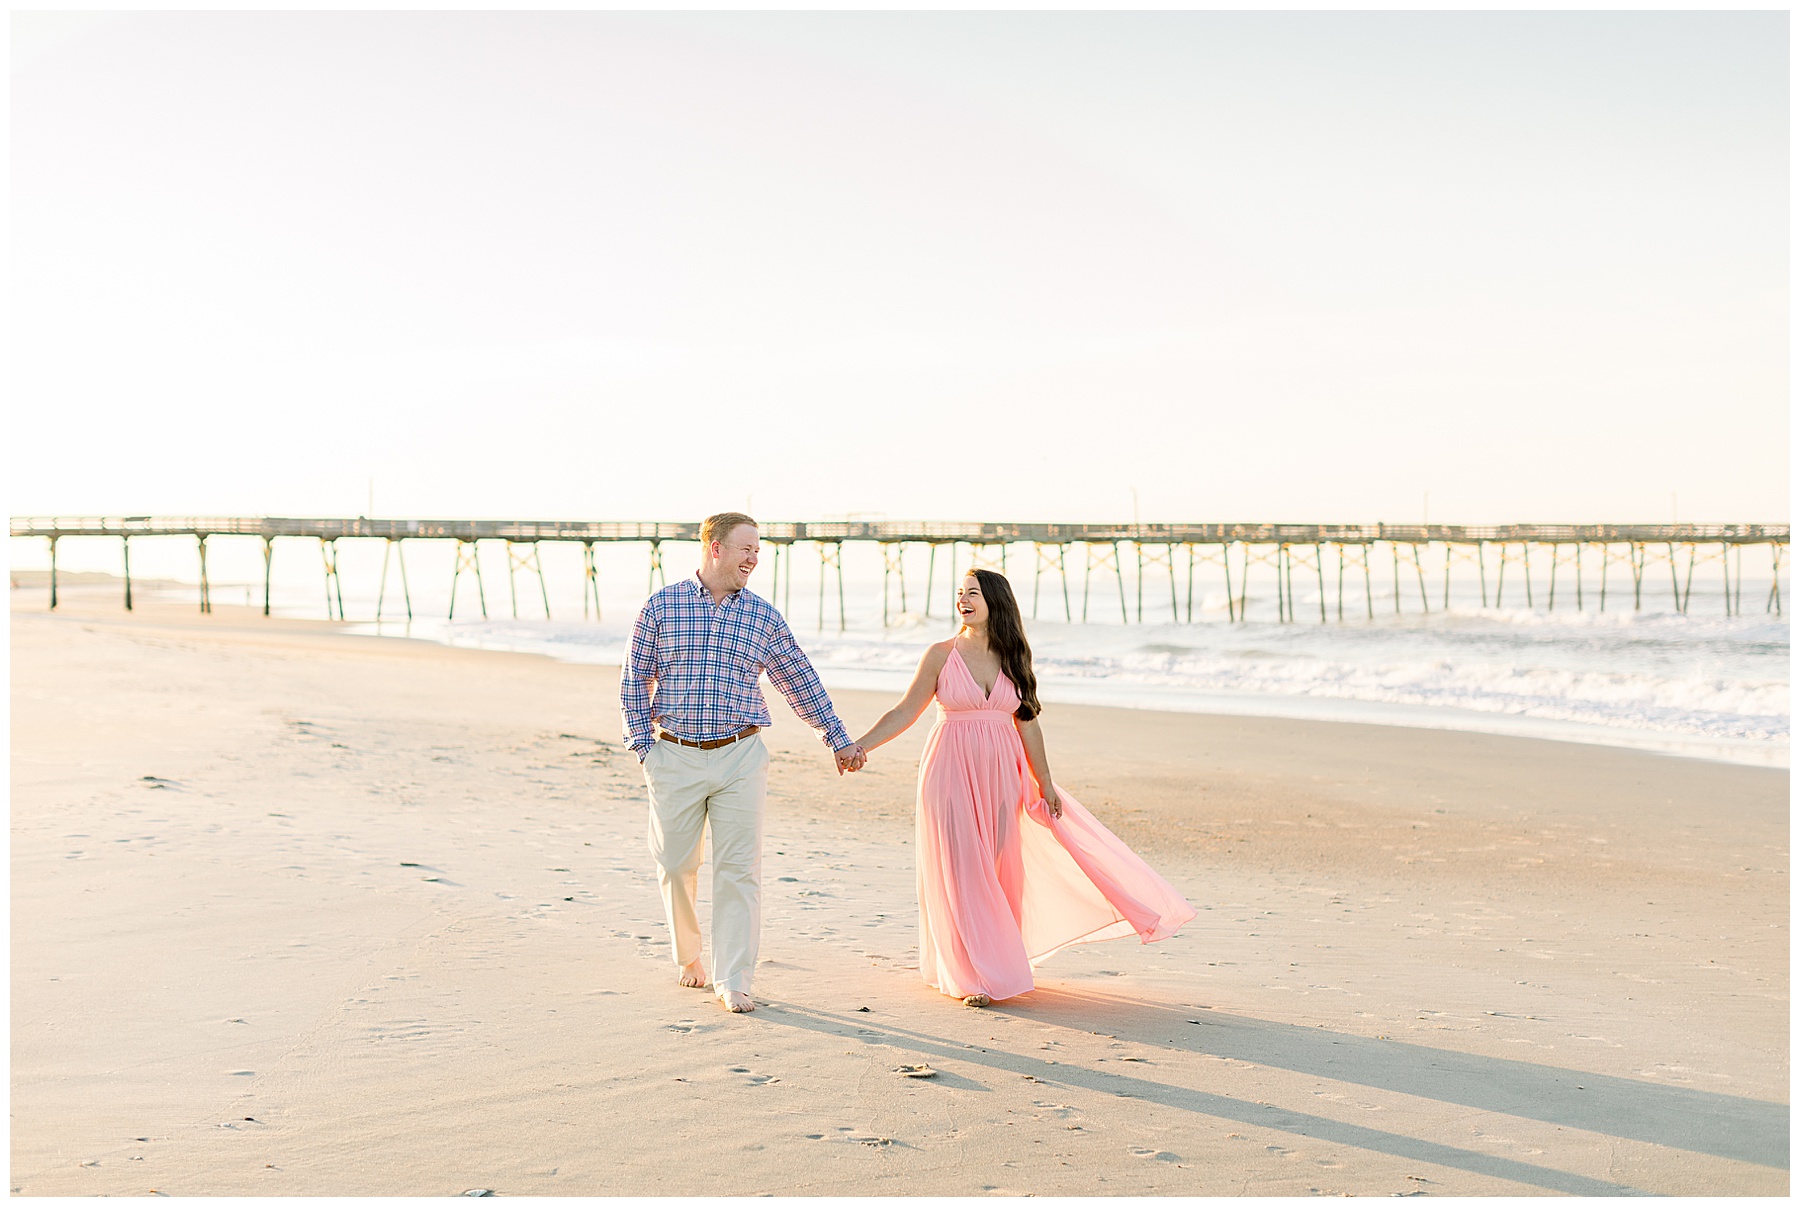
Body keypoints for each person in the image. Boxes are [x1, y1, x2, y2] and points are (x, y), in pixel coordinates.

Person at [851, 569, 1195, 1006]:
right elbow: (905, 711)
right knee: (961, 869)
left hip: (1002, 774)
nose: (963, 600)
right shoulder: (940, 654)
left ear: (996, 601)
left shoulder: (1014, 656)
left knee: (997, 866)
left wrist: (1045, 781)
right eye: (959, 594)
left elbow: (1028, 722)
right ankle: (970, 976)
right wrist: (859, 746)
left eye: (972, 593)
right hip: (949, 770)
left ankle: (994, 961)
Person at [621, 512, 866, 1014]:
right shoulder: (662, 606)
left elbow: (798, 679)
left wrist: (836, 738)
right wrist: (645, 748)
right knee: (674, 864)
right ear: (715, 548)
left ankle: (734, 977)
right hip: (674, 754)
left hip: (740, 754)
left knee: (738, 870)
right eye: (746, 549)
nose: (754, 559)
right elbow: (633, 680)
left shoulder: (763, 616)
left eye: (758, 550)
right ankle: (689, 956)